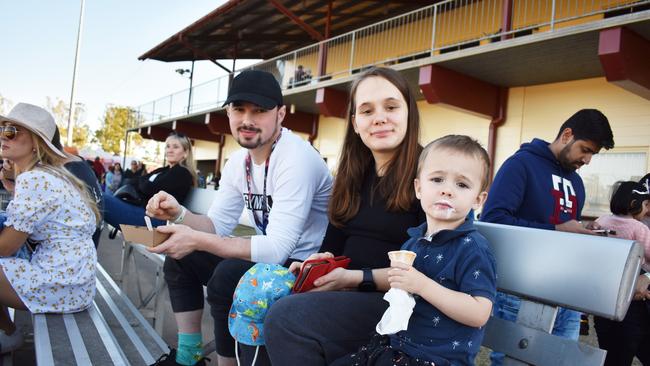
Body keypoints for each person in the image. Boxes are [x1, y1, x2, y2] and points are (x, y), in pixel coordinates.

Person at [144, 70, 332, 366]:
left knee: (227, 276)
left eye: (259, 110)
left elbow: (278, 248)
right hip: (270, 258)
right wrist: (179, 214)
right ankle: (189, 356)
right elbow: (216, 226)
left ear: (281, 114)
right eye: (239, 109)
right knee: (181, 256)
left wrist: (198, 239)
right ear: (228, 112)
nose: (247, 119)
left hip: (304, 266)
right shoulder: (238, 162)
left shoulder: (296, 159)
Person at [264, 67, 425, 366]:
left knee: (286, 318)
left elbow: (426, 272)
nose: (379, 118)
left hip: (401, 305)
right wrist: (319, 261)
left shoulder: (430, 175)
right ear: (355, 123)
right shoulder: (352, 176)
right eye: (366, 111)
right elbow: (334, 245)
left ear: (409, 113)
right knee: (262, 293)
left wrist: (355, 279)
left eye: (391, 107)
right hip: (349, 291)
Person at [331, 135, 496, 366]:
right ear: (418, 188)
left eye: (462, 184)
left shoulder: (473, 248)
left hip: (435, 359)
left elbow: (480, 312)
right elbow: (398, 281)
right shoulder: (415, 241)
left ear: (478, 199)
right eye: (437, 179)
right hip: (395, 348)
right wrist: (349, 278)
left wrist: (422, 285)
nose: (447, 190)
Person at [481, 109, 615, 365]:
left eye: (592, 155)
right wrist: (556, 230)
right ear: (567, 135)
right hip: (521, 290)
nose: (587, 160)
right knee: (515, 361)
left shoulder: (576, 183)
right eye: (585, 150)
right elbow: (492, 221)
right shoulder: (520, 165)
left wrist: (585, 234)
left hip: (567, 291)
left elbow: (566, 229)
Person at [0, 103, 99, 353]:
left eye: (12, 131)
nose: (3, 135)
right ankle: (7, 333)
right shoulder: (48, 174)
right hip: (75, 281)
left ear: (35, 142)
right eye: (2, 128)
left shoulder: (35, 179)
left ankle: (8, 333)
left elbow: (7, 246)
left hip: (62, 284)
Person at [592, 180, 650, 366]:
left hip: (605, 286)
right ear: (634, 204)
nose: (647, 210)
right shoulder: (639, 228)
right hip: (632, 287)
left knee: (609, 344)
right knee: (629, 338)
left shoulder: (601, 220)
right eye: (646, 205)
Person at [103, 132, 197, 228]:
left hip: (158, 220)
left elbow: (150, 188)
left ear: (185, 153)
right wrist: (144, 183)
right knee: (97, 199)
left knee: (99, 199)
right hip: (144, 211)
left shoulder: (182, 173)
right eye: (168, 146)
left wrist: (144, 183)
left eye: (175, 147)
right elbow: (135, 180)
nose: (170, 150)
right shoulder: (164, 170)